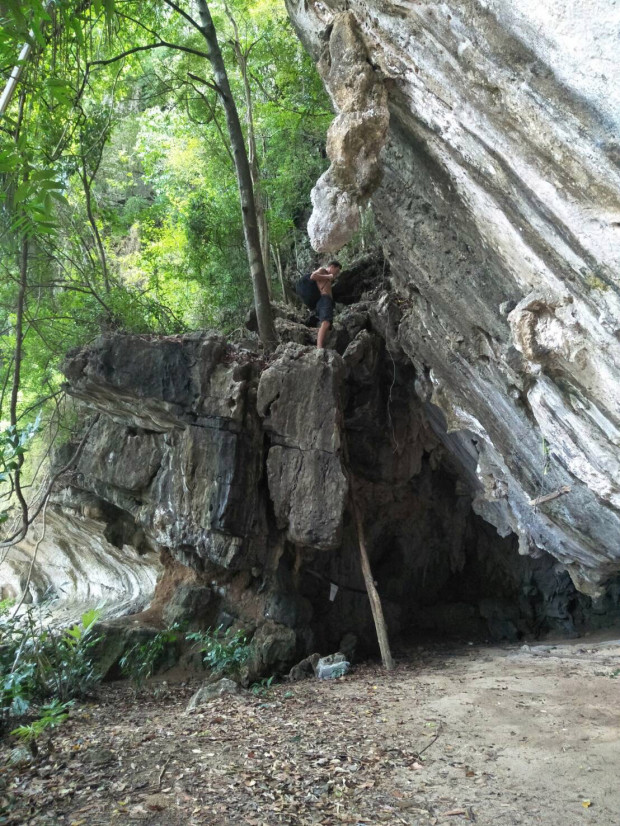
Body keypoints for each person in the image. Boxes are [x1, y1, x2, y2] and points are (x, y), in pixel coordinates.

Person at [310, 260, 341, 349]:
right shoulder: (323, 270)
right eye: (337, 270)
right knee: (326, 323)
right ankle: (319, 348)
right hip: (324, 299)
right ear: (332, 267)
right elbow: (313, 276)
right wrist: (328, 276)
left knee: (328, 325)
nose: (337, 273)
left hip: (327, 301)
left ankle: (323, 346)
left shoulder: (328, 277)